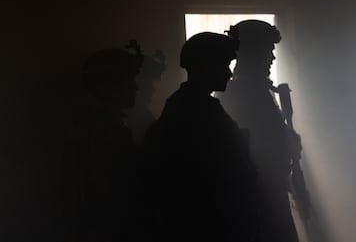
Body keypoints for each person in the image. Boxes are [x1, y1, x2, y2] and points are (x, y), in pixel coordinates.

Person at [141, 32, 260, 242]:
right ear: (205, 66)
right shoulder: (192, 109)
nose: (229, 74)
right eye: (223, 64)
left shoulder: (196, 105)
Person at [217, 20, 300, 242]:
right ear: (252, 53)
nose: (272, 58)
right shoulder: (238, 93)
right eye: (267, 51)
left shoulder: (255, 89)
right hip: (257, 200)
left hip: (267, 194)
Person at [67, 41, 148, 242]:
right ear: (109, 86)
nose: (136, 87)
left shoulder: (98, 125)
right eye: (129, 80)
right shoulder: (103, 131)